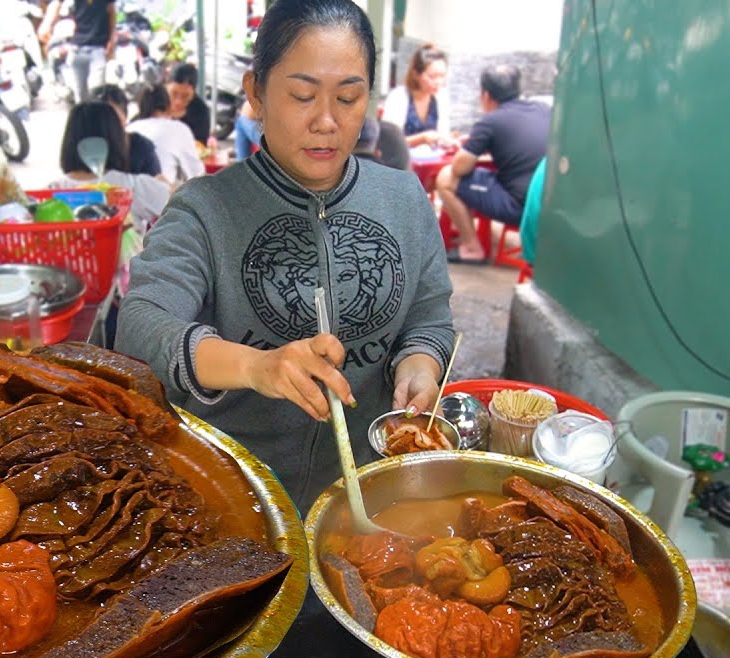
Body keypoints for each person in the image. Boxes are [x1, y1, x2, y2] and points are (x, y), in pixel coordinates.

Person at [114, 0, 454, 511]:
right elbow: (140, 326)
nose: (325, 121)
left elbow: (430, 318)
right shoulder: (206, 208)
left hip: (365, 494)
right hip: (235, 493)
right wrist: (256, 367)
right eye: (301, 95)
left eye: (348, 97)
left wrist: (419, 368)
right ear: (255, 93)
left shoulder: (404, 199)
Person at [434, 64, 551, 264]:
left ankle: (472, 248)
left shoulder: (491, 121)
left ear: (485, 95)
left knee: (446, 178)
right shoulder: (544, 110)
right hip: (548, 202)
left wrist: (475, 145)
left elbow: (459, 167)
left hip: (519, 207)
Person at [49, 102, 170, 232]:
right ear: (117, 139)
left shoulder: (51, 193)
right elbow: (182, 211)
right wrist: (165, 186)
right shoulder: (134, 186)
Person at [127, 85, 205, 186]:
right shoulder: (179, 128)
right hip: (158, 196)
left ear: (140, 107)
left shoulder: (129, 128)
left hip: (123, 195)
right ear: (169, 107)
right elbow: (197, 175)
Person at [39, 0, 116, 103]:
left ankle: (96, 117)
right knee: (80, 96)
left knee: (96, 92)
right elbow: (57, 4)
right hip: (77, 48)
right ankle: (82, 117)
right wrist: (47, 25)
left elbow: (111, 11)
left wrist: (112, 39)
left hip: (98, 48)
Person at [381, 44, 455, 148]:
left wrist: (449, 141)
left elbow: (443, 135)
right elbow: (389, 141)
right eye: (432, 77)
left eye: (442, 76)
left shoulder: (441, 97)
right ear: (416, 75)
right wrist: (421, 139)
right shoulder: (398, 97)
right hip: (400, 161)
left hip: (431, 159)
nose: (439, 82)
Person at [90, 84, 162, 178]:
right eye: (101, 120)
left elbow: (156, 185)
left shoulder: (141, 147)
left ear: (125, 117)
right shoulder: (85, 149)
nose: (108, 126)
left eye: (114, 119)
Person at [166, 62, 211, 145]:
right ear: (166, 87)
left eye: (185, 96)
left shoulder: (200, 111)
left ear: (193, 93)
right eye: (174, 93)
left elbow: (200, 146)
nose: (178, 102)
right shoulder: (154, 102)